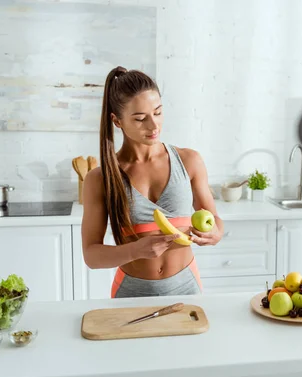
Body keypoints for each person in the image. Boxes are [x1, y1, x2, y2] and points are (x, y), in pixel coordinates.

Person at [81, 66, 223, 298]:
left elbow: (215, 219)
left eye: (157, 112)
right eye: (140, 119)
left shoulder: (189, 161)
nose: (153, 125)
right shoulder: (101, 179)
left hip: (186, 285)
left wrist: (216, 233)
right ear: (117, 121)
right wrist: (134, 250)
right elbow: (91, 256)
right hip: (131, 291)